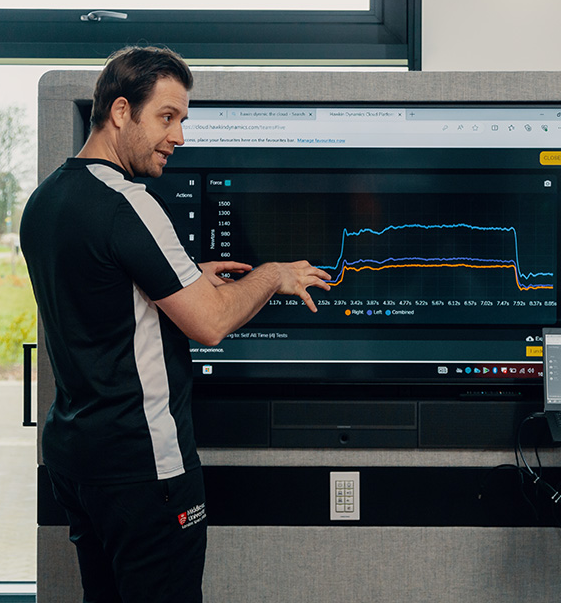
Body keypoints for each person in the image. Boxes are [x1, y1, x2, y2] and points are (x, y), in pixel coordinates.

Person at [20, 46, 331, 603]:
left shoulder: (45, 201)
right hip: (146, 469)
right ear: (120, 111)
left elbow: (106, 295)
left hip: (77, 458)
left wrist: (187, 275)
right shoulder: (129, 205)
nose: (179, 136)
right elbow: (209, 325)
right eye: (167, 117)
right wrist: (271, 276)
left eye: (182, 119)